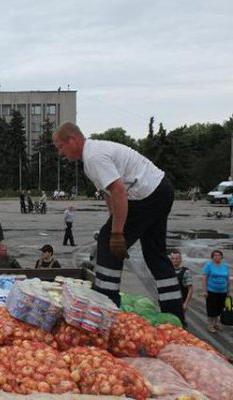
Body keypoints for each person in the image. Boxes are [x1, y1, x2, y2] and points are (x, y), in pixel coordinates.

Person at [53, 122, 184, 321]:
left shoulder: (94, 156)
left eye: (60, 146)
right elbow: (110, 193)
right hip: (161, 189)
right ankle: (176, 315)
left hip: (146, 194)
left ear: (73, 139)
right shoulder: (93, 155)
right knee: (155, 255)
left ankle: (105, 311)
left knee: (107, 244)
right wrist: (115, 221)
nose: (61, 153)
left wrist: (116, 232)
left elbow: (118, 190)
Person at [201, 249, 231, 332]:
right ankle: (210, 325)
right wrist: (204, 290)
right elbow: (204, 278)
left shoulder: (224, 266)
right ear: (212, 257)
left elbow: (227, 279)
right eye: (215, 255)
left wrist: (229, 291)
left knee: (219, 308)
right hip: (211, 291)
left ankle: (215, 323)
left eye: (219, 255)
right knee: (211, 308)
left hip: (223, 291)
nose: (217, 257)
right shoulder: (209, 265)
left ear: (221, 257)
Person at [170, 250, 193, 319]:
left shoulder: (186, 271)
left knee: (180, 321)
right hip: (170, 301)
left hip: (181, 301)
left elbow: (190, 289)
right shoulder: (168, 271)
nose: (175, 261)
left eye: (177, 258)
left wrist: (186, 303)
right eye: (173, 259)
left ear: (180, 259)